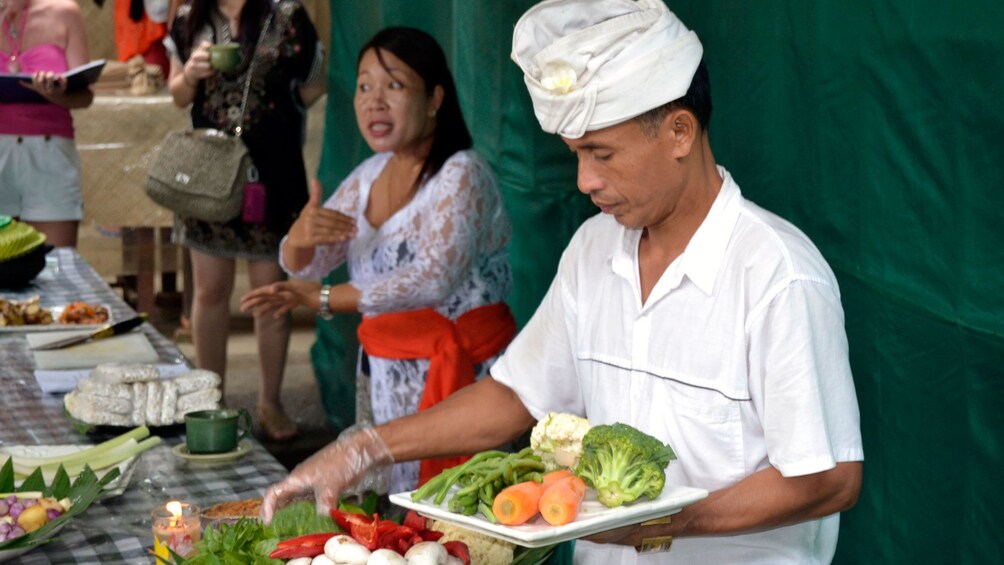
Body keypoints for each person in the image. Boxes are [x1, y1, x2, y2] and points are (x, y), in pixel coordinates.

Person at [260, 1, 864, 563]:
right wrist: (362, 447)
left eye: (601, 153)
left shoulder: (778, 275)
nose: (584, 181)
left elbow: (828, 477)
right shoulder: (593, 249)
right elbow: (515, 395)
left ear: (680, 132)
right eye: (575, 154)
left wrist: (663, 523)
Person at [240, 26, 515, 495]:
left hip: (466, 382)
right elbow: (306, 262)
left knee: (465, 513)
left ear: (434, 99)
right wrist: (300, 239)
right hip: (386, 377)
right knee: (391, 515)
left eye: (394, 85)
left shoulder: (461, 173)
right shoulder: (369, 174)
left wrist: (325, 297)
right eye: (364, 86)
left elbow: (433, 277)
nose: (374, 101)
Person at [164, 0, 325, 441]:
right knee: (210, 290)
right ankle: (209, 399)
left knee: (270, 293)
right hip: (209, 176)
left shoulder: (288, 16)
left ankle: (270, 403)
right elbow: (177, 94)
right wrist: (191, 74)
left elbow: (313, 86)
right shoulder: (188, 20)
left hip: (272, 176)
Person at [0, 0, 94, 247]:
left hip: (50, 150)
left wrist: (56, 93)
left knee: (56, 264)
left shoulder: (64, 12)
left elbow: (85, 95)